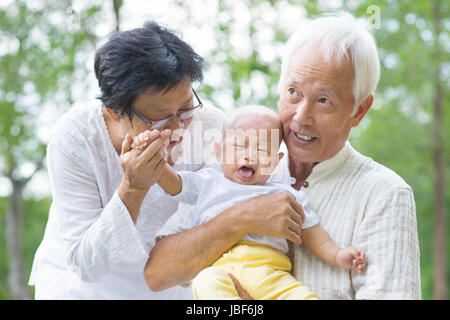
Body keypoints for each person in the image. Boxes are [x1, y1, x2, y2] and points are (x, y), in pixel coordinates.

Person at [144, 13, 421, 299]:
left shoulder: (385, 194)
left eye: (324, 100)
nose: (301, 117)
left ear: (359, 111)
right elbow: (157, 275)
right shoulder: (230, 169)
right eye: (293, 92)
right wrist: (239, 218)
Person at [28, 21, 224, 299]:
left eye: (186, 108)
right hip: (79, 289)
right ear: (114, 112)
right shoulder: (75, 138)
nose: (178, 128)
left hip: (166, 285)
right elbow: (85, 265)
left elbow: (218, 217)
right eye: (161, 119)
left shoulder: (210, 126)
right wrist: (133, 189)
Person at [136, 105, 366, 300]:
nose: (249, 156)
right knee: (205, 283)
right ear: (219, 152)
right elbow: (174, 184)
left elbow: (312, 231)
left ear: (276, 162)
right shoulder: (208, 181)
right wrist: (154, 157)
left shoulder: (284, 193)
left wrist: (337, 254)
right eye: (239, 146)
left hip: (268, 270)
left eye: (261, 149)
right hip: (219, 269)